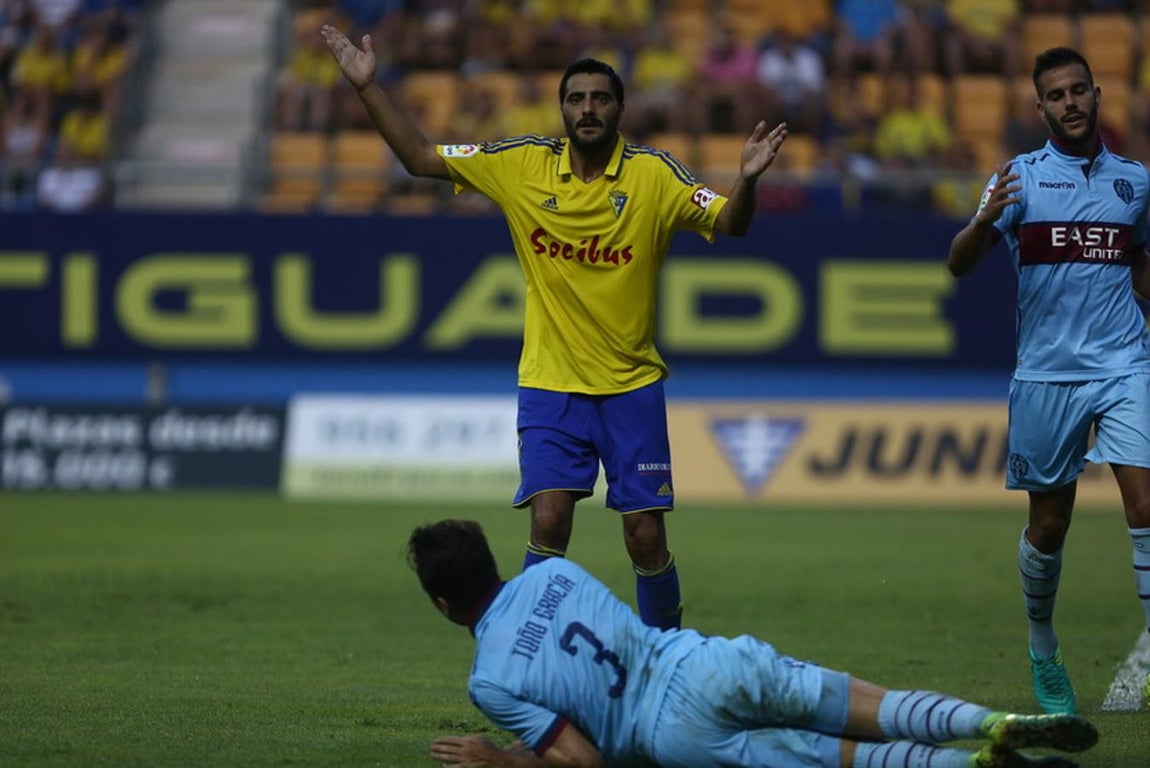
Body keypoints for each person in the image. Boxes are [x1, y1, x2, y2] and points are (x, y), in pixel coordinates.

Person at [322, 23, 789, 631]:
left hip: (631, 385)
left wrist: (746, 180)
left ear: (620, 108)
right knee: (548, 521)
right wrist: (368, 88)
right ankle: (530, 658)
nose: (587, 109)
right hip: (551, 381)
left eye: (599, 98)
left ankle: (668, 664)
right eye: (576, 99)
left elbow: (732, 224)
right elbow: (418, 160)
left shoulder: (654, 176)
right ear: (561, 108)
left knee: (644, 535)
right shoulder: (521, 165)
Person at [407, 518, 1099, 767]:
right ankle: (991, 722)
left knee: (844, 758)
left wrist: (503, 761)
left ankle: (979, 765)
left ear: (442, 606)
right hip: (705, 663)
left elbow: (582, 760)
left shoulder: (489, 679)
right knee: (864, 705)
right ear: (491, 561)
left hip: (670, 734)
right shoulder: (554, 568)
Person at [947, 46, 1150, 715]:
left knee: (1146, 506)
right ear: (1040, 108)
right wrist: (981, 221)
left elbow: (1138, 266)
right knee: (1049, 526)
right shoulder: (1018, 180)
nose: (1069, 103)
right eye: (1055, 95)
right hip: (1047, 374)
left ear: (1096, 95)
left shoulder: (1135, 182)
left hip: (1126, 363)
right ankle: (1042, 647)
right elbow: (959, 263)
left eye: (1078, 91)